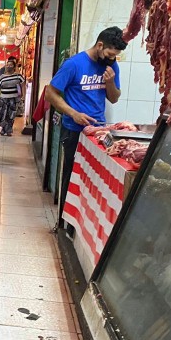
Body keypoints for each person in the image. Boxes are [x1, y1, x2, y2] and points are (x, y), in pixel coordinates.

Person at [46, 26, 126, 218]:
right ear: (99, 45)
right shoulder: (73, 64)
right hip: (73, 130)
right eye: (109, 53)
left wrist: (110, 82)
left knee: (92, 178)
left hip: (98, 132)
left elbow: (114, 99)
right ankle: (64, 221)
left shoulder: (112, 66)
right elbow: (50, 93)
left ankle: (83, 219)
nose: (112, 58)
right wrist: (73, 113)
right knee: (71, 175)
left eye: (115, 55)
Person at [0, 59, 22, 136]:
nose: (9, 66)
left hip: (14, 98)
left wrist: (22, 95)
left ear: (14, 66)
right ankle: (3, 129)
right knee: (3, 114)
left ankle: (9, 130)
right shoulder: (2, 76)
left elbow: (22, 85)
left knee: (11, 115)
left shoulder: (18, 76)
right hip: (3, 98)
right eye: (7, 65)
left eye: (11, 65)